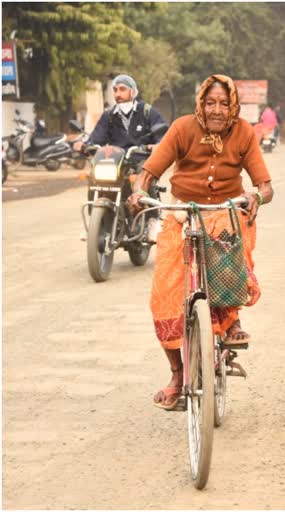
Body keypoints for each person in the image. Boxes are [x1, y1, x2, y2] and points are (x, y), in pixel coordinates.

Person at [126, 74, 274, 410]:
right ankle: (178, 375)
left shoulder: (244, 133)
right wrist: (138, 191)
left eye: (224, 103)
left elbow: (265, 185)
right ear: (201, 105)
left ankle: (231, 318)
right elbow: (149, 172)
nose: (217, 110)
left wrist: (255, 197)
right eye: (210, 103)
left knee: (231, 233)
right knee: (163, 296)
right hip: (181, 212)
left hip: (225, 212)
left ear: (232, 106)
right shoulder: (181, 128)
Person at [76, 74, 166, 240]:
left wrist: (157, 144)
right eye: (115, 90)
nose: (118, 93)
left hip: (140, 157)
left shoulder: (147, 111)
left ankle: (152, 221)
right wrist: (84, 145)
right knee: (93, 177)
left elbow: (163, 135)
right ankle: (93, 224)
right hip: (117, 161)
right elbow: (96, 138)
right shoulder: (109, 115)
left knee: (147, 175)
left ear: (133, 92)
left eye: (122, 89)